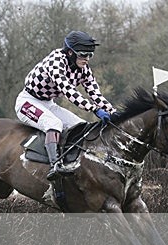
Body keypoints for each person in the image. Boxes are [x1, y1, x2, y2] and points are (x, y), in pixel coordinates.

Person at [15, 30, 117, 180]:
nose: (87, 59)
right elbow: (69, 92)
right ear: (70, 52)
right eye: (83, 54)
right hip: (27, 101)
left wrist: (114, 113)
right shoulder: (56, 62)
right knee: (54, 123)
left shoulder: (84, 70)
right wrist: (94, 109)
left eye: (90, 55)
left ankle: (74, 162)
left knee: (81, 126)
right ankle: (54, 165)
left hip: (48, 103)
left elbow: (96, 95)